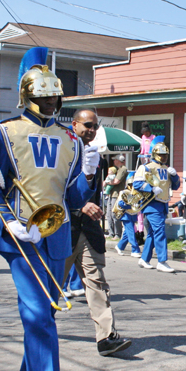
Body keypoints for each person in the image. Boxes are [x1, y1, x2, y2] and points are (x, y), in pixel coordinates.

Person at [0, 49, 98, 371]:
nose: (51, 102)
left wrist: (90, 194)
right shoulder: (2, 133)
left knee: (42, 318)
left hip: (58, 236)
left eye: (55, 96)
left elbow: (71, 191)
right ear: (27, 95)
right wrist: (11, 223)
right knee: (40, 319)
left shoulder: (71, 140)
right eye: (44, 96)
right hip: (21, 236)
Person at [66, 107, 132, 356]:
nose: (91, 130)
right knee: (51, 285)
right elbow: (55, 189)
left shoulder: (98, 156)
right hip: (64, 226)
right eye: (87, 126)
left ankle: (106, 337)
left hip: (89, 229)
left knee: (96, 282)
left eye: (94, 126)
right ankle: (39, 328)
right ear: (74, 125)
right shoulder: (64, 152)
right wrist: (80, 204)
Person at [134, 136, 180, 272]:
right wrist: (151, 188)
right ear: (155, 154)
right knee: (160, 231)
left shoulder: (167, 168)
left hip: (163, 203)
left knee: (153, 234)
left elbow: (175, 187)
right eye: (161, 155)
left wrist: (175, 176)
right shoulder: (146, 167)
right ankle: (162, 261)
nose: (164, 157)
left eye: (165, 155)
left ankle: (144, 259)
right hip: (151, 204)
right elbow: (136, 183)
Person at [114, 171, 142, 257]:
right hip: (125, 215)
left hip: (132, 215)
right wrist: (131, 205)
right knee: (131, 233)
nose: (133, 186)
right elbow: (121, 204)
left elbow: (139, 202)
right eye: (131, 184)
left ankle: (119, 246)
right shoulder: (124, 192)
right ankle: (135, 250)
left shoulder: (136, 193)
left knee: (127, 233)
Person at [105, 154, 128, 239]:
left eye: (115, 160)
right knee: (109, 214)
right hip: (111, 194)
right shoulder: (115, 169)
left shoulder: (123, 169)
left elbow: (116, 181)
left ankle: (118, 234)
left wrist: (107, 182)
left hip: (117, 195)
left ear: (119, 160)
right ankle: (111, 233)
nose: (114, 161)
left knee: (115, 214)